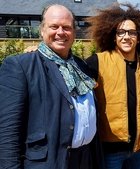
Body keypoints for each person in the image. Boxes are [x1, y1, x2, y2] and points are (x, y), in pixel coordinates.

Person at [0, 4, 102, 169]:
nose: (61, 32)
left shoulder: (81, 66)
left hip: (85, 159)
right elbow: (7, 132)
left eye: (67, 27)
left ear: (74, 33)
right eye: (54, 26)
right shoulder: (21, 66)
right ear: (42, 30)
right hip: (49, 162)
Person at [84, 3, 140, 169]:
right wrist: (40, 54)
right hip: (110, 150)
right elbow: (69, 73)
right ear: (114, 36)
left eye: (132, 32)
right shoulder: (98, 61)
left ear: (139, 37)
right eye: (121, 32)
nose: (126, 37)